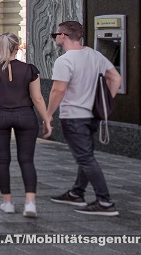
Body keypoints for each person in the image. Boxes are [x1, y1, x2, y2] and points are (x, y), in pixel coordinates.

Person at [47, 20, 122, 216]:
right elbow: (115, 78)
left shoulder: (64, 60)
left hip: (74, 116)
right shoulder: (95, 55)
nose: (56, 38)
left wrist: (48, 114)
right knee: (86, 155)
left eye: (56, 35)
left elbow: (58, 90)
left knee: (86, 158)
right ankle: (77, 193)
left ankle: (105, 202)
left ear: (63, 36)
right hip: (92, 116)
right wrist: (104, 101)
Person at [0, 32, 52, 218]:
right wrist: (46, 119)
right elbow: (37, 98)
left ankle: (7, 203)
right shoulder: (30, 69)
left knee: (2, 160)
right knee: (26, 160)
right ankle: (30, 204)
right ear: (17, 48)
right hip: (25, 116)